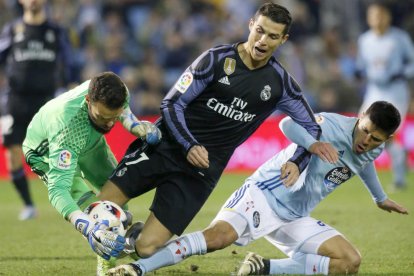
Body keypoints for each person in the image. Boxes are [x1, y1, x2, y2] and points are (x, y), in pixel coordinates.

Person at [98, 2, 339, 274]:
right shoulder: (215, 60)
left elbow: (312, 129)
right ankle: (104, 257)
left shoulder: (280, 83)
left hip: (201, 171)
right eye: (259, 31)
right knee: (101, 207)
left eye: (272, 36)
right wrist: (188, 144)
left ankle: (133, 238)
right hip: (164, 146)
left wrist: (298, 161)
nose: (262, 40)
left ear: (283, 39)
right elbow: (172, 104)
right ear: (250, 25)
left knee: (147, 248)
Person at [108, 101, 408, 276]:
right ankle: (139, 269)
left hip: (295, 214)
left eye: (376, 139)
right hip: (264, 193)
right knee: (218, 238)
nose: (366, 141)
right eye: (365, 131)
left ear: (387, 140)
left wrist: (379, 197)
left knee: (349, 262)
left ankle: (263, 268)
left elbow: (363, 162)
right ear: (360, 118)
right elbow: (288, 125)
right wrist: (313, 145)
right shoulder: (330, 125)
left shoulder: (371, 149)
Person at [22, 71, 162, 275]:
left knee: (119, 194)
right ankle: (106, 265)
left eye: (112, 118)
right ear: (88, 100)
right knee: (99, 214)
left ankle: (121, 243)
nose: (109, 124)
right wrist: (88, 228)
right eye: (102, 117)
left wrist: (140, 128)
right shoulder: (67, 128)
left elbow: (123, 113)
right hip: (46, 152)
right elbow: (58, 191)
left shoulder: (118, 90)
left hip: (91, 141)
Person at [0, 0, 75, 220]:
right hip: (15, 100)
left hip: (45, 101)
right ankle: (29, 205)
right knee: (12, 153)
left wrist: (70, 86)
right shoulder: (12, 30)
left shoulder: (55, 31)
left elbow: (69, 62)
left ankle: (72, 200)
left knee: (57, 152)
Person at [355, 1, 414, 191]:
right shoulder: (364, 40)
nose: (377, 19)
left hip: (395, 91)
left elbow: (412, 63)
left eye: (381, 15)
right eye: (374, 16)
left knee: (387, 133)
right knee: (359, 128)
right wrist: (358, 73)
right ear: (368, 18)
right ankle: (397, 159)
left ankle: (399, 179)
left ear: (387, 17)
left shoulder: (399, 38)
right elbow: (361, 66)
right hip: (374, 90)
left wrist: (402, 73)